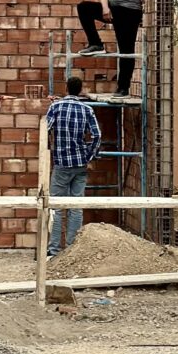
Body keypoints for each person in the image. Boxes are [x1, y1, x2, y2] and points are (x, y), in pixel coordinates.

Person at [46, 76, 101, 255]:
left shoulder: (56, 107)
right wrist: (89, 154)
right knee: (76, 206)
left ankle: (54, 251)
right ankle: (71, 250)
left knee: (56, 207)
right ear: (80, 90)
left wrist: (50, 148)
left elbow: (45, 129)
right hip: (80, 164)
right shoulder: (87, 109)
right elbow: (97, 135)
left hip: (61, 163)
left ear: (67, 88)